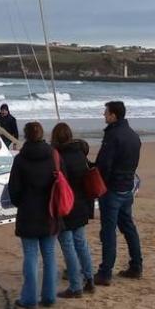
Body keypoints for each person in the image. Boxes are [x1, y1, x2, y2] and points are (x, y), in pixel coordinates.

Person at [8, 121, 58, 309]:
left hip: (29, 211)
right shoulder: (53, 156)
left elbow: (14, 190)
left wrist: (21, 202)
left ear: (26, 135)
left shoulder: (20, 159)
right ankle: (49, 296)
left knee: (31, 255)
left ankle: (29, 298)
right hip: (49, 211)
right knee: (49, 255)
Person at [94, 100, 143, 286]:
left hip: (113, 188)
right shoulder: (133, 136)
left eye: (106, 113)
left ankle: (105, 272)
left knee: (108, 231)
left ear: (114, 115)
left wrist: (99, 183)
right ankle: (136, 265)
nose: (104, 115)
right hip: (126, 186)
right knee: (128, 227)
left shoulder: (113, 136)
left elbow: (104, 164)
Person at [50, 122, 94, 297]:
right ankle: (89, 278)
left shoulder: (59, 157)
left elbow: (57, 182)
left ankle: (76, 286)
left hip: (67, 205)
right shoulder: (80, 154)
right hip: (82, 204)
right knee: (81, 242)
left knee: (68, 245)